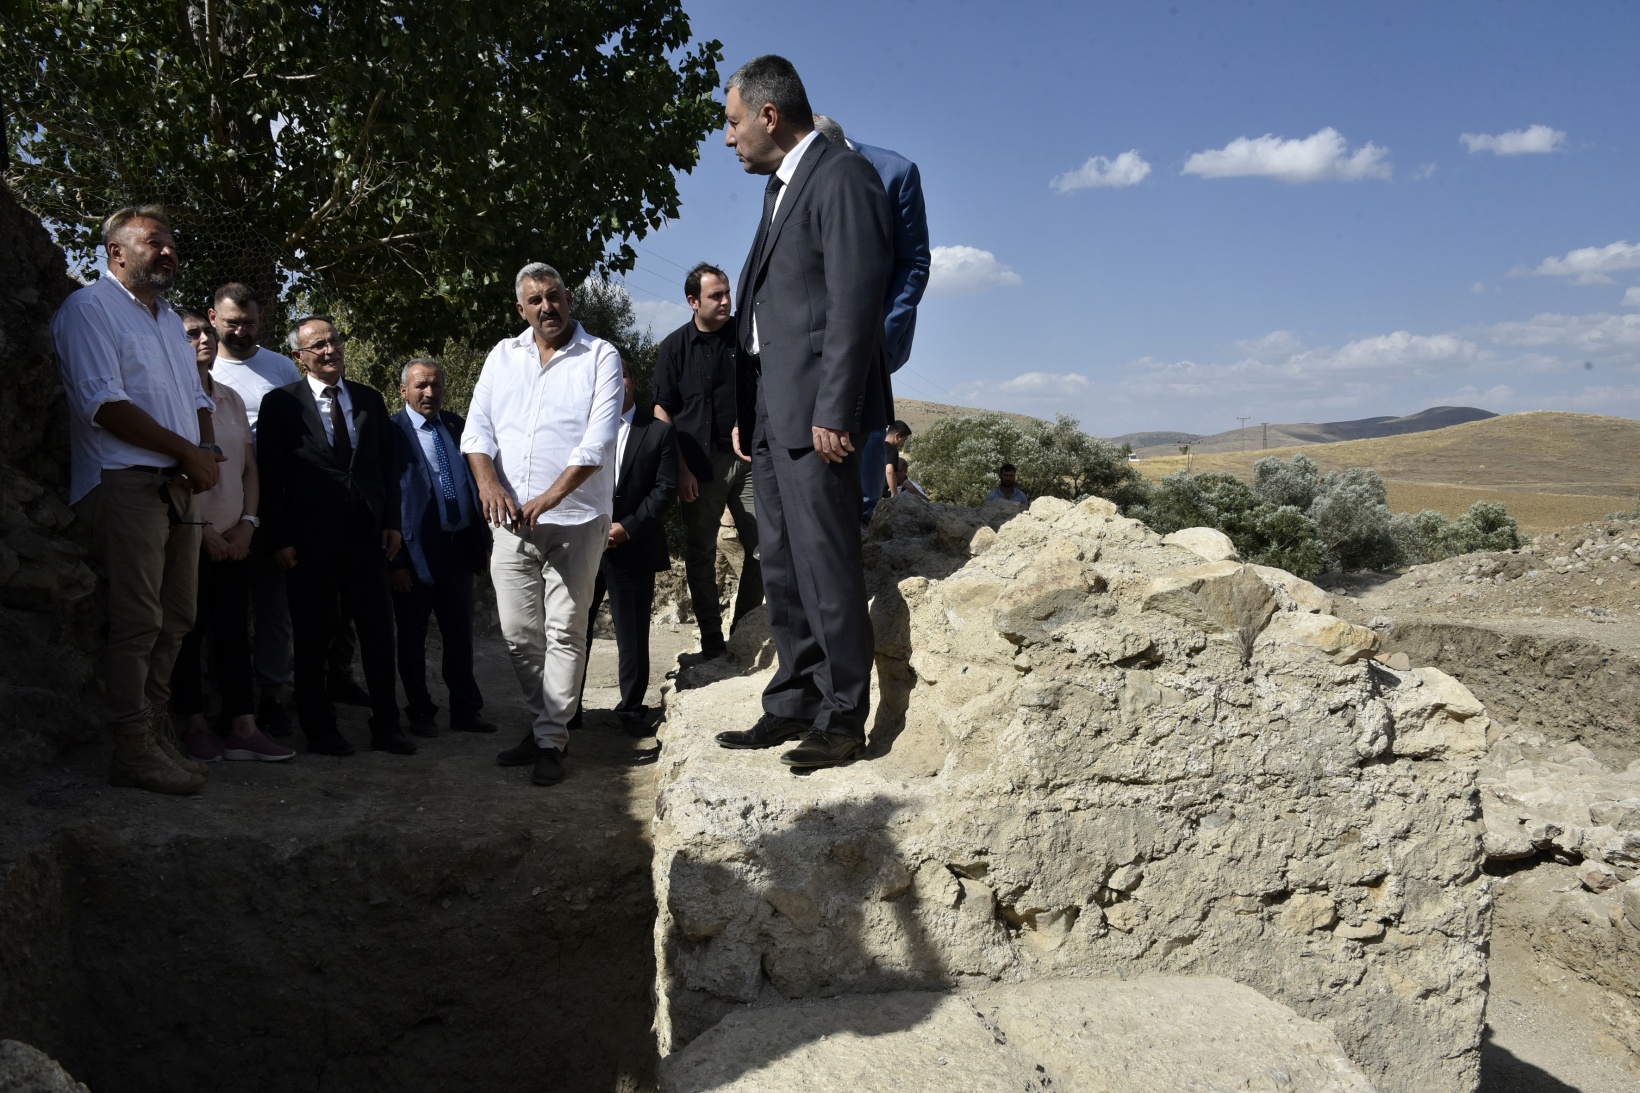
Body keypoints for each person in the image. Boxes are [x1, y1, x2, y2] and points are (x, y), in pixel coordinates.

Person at [715, 55, 892, 771]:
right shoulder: (782, 188)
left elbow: (854, 303)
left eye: (731, 123)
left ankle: (843, 716)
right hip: (772, 408)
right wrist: (747, 404)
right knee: (782, 564)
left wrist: (836, 409)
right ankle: (792, 699)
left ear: (767, 114)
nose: (728, 140)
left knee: (827, 564)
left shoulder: (842, 177)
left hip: (818, 415)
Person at [51, 205, 224, 794]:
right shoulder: (89, 310)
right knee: (138, 622)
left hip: (178, 484)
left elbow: (195, 398)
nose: (169, 251)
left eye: (173, 242)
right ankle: (131, 746)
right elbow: (104, 405)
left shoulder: (168, 319)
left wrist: (203, 452)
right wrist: (190, 454)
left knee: (177, 617)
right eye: (155, 242)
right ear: (116, 253)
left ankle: (154, 739)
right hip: (125, 482)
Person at [461, 263, 623, 787]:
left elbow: (597, 443)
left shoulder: (601, 356)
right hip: (509, 521)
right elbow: (477, 429)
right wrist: (488, 485)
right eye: (535, 300)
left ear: (569, 299)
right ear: (521, 308)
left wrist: (549, 497)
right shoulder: (501, 357)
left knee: (566, 632)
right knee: (518, 633)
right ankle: (543, 723)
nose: (546, 307)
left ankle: (551, 739)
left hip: (577, 519)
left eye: (554, 296)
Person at [257, 315, 414, 757]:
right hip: (310, 542)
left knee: (379, 633)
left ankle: (387, 724)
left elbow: (387, 469)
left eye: (335, 341)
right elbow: (271, 478)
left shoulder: (368, 400)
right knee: (312, 635)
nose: (330, 351)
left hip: (367, 539)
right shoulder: (280, 404)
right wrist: (280, 537)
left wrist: (392, 523)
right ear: (298, 357)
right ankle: (319, 726)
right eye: (318, 345)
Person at [170, 310, 294, 763]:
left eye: (204, 332)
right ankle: (194, 724)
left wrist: (247, 524)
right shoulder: (167, 399)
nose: (203, 339)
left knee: (234, 632)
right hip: (188, 535)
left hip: (236, 535)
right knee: (189, 630)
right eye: (191, 334)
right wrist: (202, 531)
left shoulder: (231, 399)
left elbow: (248, 469)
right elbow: (172, 470)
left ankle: (243, 726)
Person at [811, 115, 930, 523]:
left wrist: (878, 338)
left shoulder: (896, 173)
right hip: (811, 338)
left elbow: (914, 264)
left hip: (875, 334)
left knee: (863, 424)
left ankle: (862, 520)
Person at [207, 282, 302, 736]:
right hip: (215, 507)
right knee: (216, 611)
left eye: (248, 322)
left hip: (271, 505)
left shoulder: (281, 368)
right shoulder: (200, 369)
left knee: (272, 608)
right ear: (212, 319)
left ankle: (271, 694)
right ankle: (218, 698)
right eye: (231, 323)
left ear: (260, 320)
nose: (240, 331)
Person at [652, 262, 760, 662]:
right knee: (700, 556)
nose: (727, 301)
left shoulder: (747, 340)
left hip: (748, 460)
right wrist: (679, 468)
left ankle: (746, 631)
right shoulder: (674, 348)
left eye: (728, 293)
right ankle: (713, 645)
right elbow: (664, 411)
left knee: (766, 548)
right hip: (699, 467)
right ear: (693, 301)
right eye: (716, 295)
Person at [570, 357, 677, 734]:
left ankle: (631, 709)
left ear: (632, 382)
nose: (617, 385)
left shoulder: (658, 432)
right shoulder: (580, 429)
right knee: (573, 629)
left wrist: (627, 529)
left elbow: (665, 490)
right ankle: (568, 711)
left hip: (631, 546)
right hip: (582, 545)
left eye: (623, 377)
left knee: (631, 633)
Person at [389, 358, 494, 737]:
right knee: (413, 639)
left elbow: (474, 481)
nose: (429, 393)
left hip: (458, 549)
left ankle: (466, 710)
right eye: (420, 386)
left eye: (435, 385)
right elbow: (385, 500)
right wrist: (396, 560)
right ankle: (420, 711)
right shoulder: (391, 433)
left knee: (460, 636)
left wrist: (481, 541)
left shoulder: (456, 426)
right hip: (413, 555)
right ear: (404, 391)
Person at [882, 419, 911, 501]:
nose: (903, 444)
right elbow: (889, 471)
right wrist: (894, 495)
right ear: (897, 436)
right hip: (879, 495)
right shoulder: (892, 450)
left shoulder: (876, 446)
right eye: (904, 440)